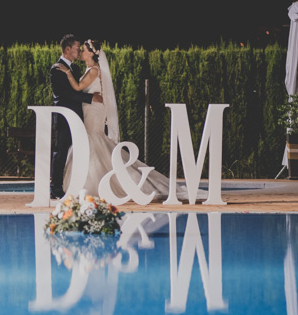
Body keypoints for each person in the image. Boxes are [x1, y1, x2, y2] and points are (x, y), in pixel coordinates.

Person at [56, 39, 196, 202]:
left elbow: (79, 87)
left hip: (94, 111)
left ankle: (94, 183)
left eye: (84, 50)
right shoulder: (89, 69)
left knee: (93, 140)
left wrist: (66, 73)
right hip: (89, 109)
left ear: (92, 53)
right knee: (92, 141)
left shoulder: (94, 70)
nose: (81, 52)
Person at [49, 34, 102, 200]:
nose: (79, 51)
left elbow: (77, 89)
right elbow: (65, 95)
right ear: (67, 49)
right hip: (65, 119)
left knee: (78, 152)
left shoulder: (75, 69)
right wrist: (90, 98)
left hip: (80, 117)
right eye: (76, 48)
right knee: (61, 152)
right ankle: (56, 189)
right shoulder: (56, 69)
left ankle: (77, 184)